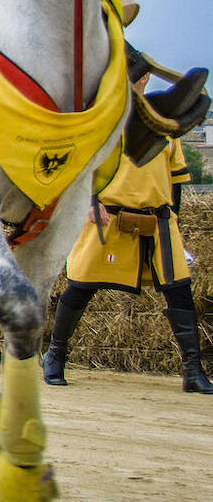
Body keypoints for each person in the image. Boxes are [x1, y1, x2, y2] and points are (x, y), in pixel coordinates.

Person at [44, 66, 212, 395]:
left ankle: (193, 370)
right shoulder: (101, 123)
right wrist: (89, 203)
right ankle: (55, 356)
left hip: (158, 222)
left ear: (146, 80)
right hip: (109, 219)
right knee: (80, 288)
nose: (134, 82)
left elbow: (176, 179)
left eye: (138, 77)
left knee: (179, 292)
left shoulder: (165, 127)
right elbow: (76, 169)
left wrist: (174, 218)